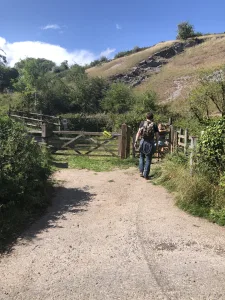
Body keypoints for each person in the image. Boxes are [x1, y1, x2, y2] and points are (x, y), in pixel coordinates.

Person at [134, 112, 159, 180]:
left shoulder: (142, 123)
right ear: (152, 118)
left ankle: (141, 172)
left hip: (143, 141)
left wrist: (136, 141)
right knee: (148, 159)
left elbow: (138, 133)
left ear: (146, 117)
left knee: (141, 156)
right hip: (150, 142)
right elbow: (157, 135)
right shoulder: (154, 125)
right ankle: (146, 175)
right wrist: (156, 143)